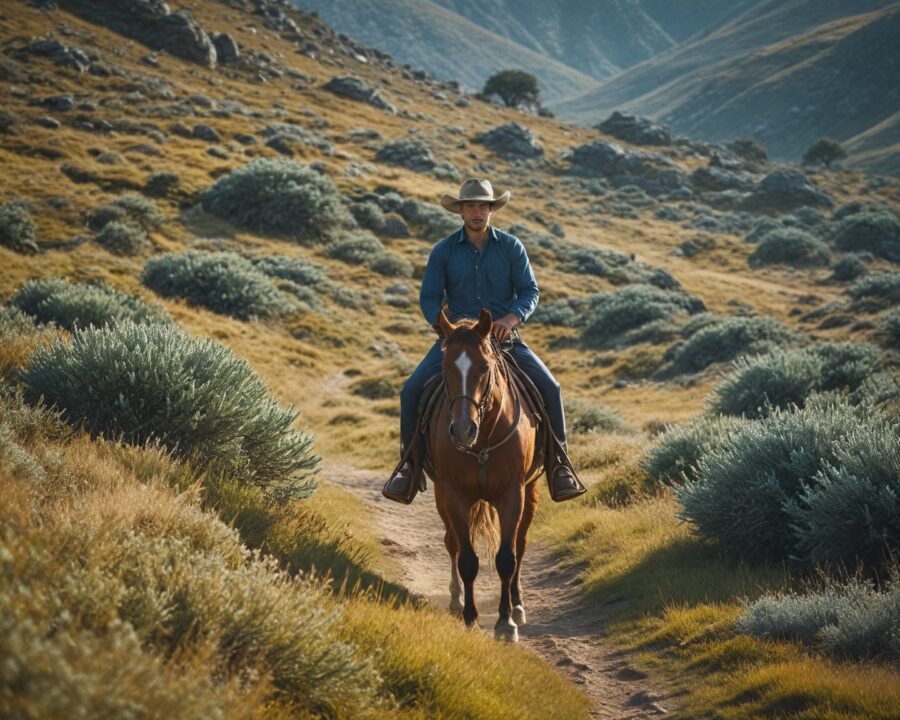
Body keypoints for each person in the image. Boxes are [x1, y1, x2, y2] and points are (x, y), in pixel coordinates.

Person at [382, 178, 584, 504]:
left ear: (491, 209)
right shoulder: (444, 251)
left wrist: (510, 318)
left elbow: (529, 291)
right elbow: (429, 298)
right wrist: (445, 327)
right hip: (458, 341)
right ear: (460, 210)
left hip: (504, 339)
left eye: (483, 206)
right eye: (470, 206)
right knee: (411, 391)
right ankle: (409, 468)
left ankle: (560, 467)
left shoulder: (511, 247)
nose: (477, 212)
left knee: (551, 388)